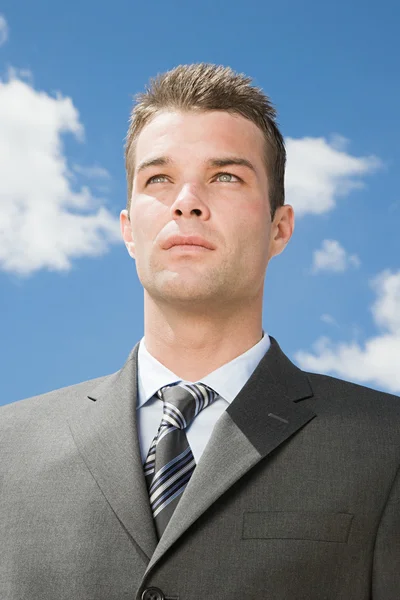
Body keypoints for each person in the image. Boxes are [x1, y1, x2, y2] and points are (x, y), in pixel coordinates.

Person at [1, 63, 399, 600]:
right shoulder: (10, 448)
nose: (186, 201)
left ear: (279, 227)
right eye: (158, 179)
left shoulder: (386, 445)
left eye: (226, 176)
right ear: (128, 230)